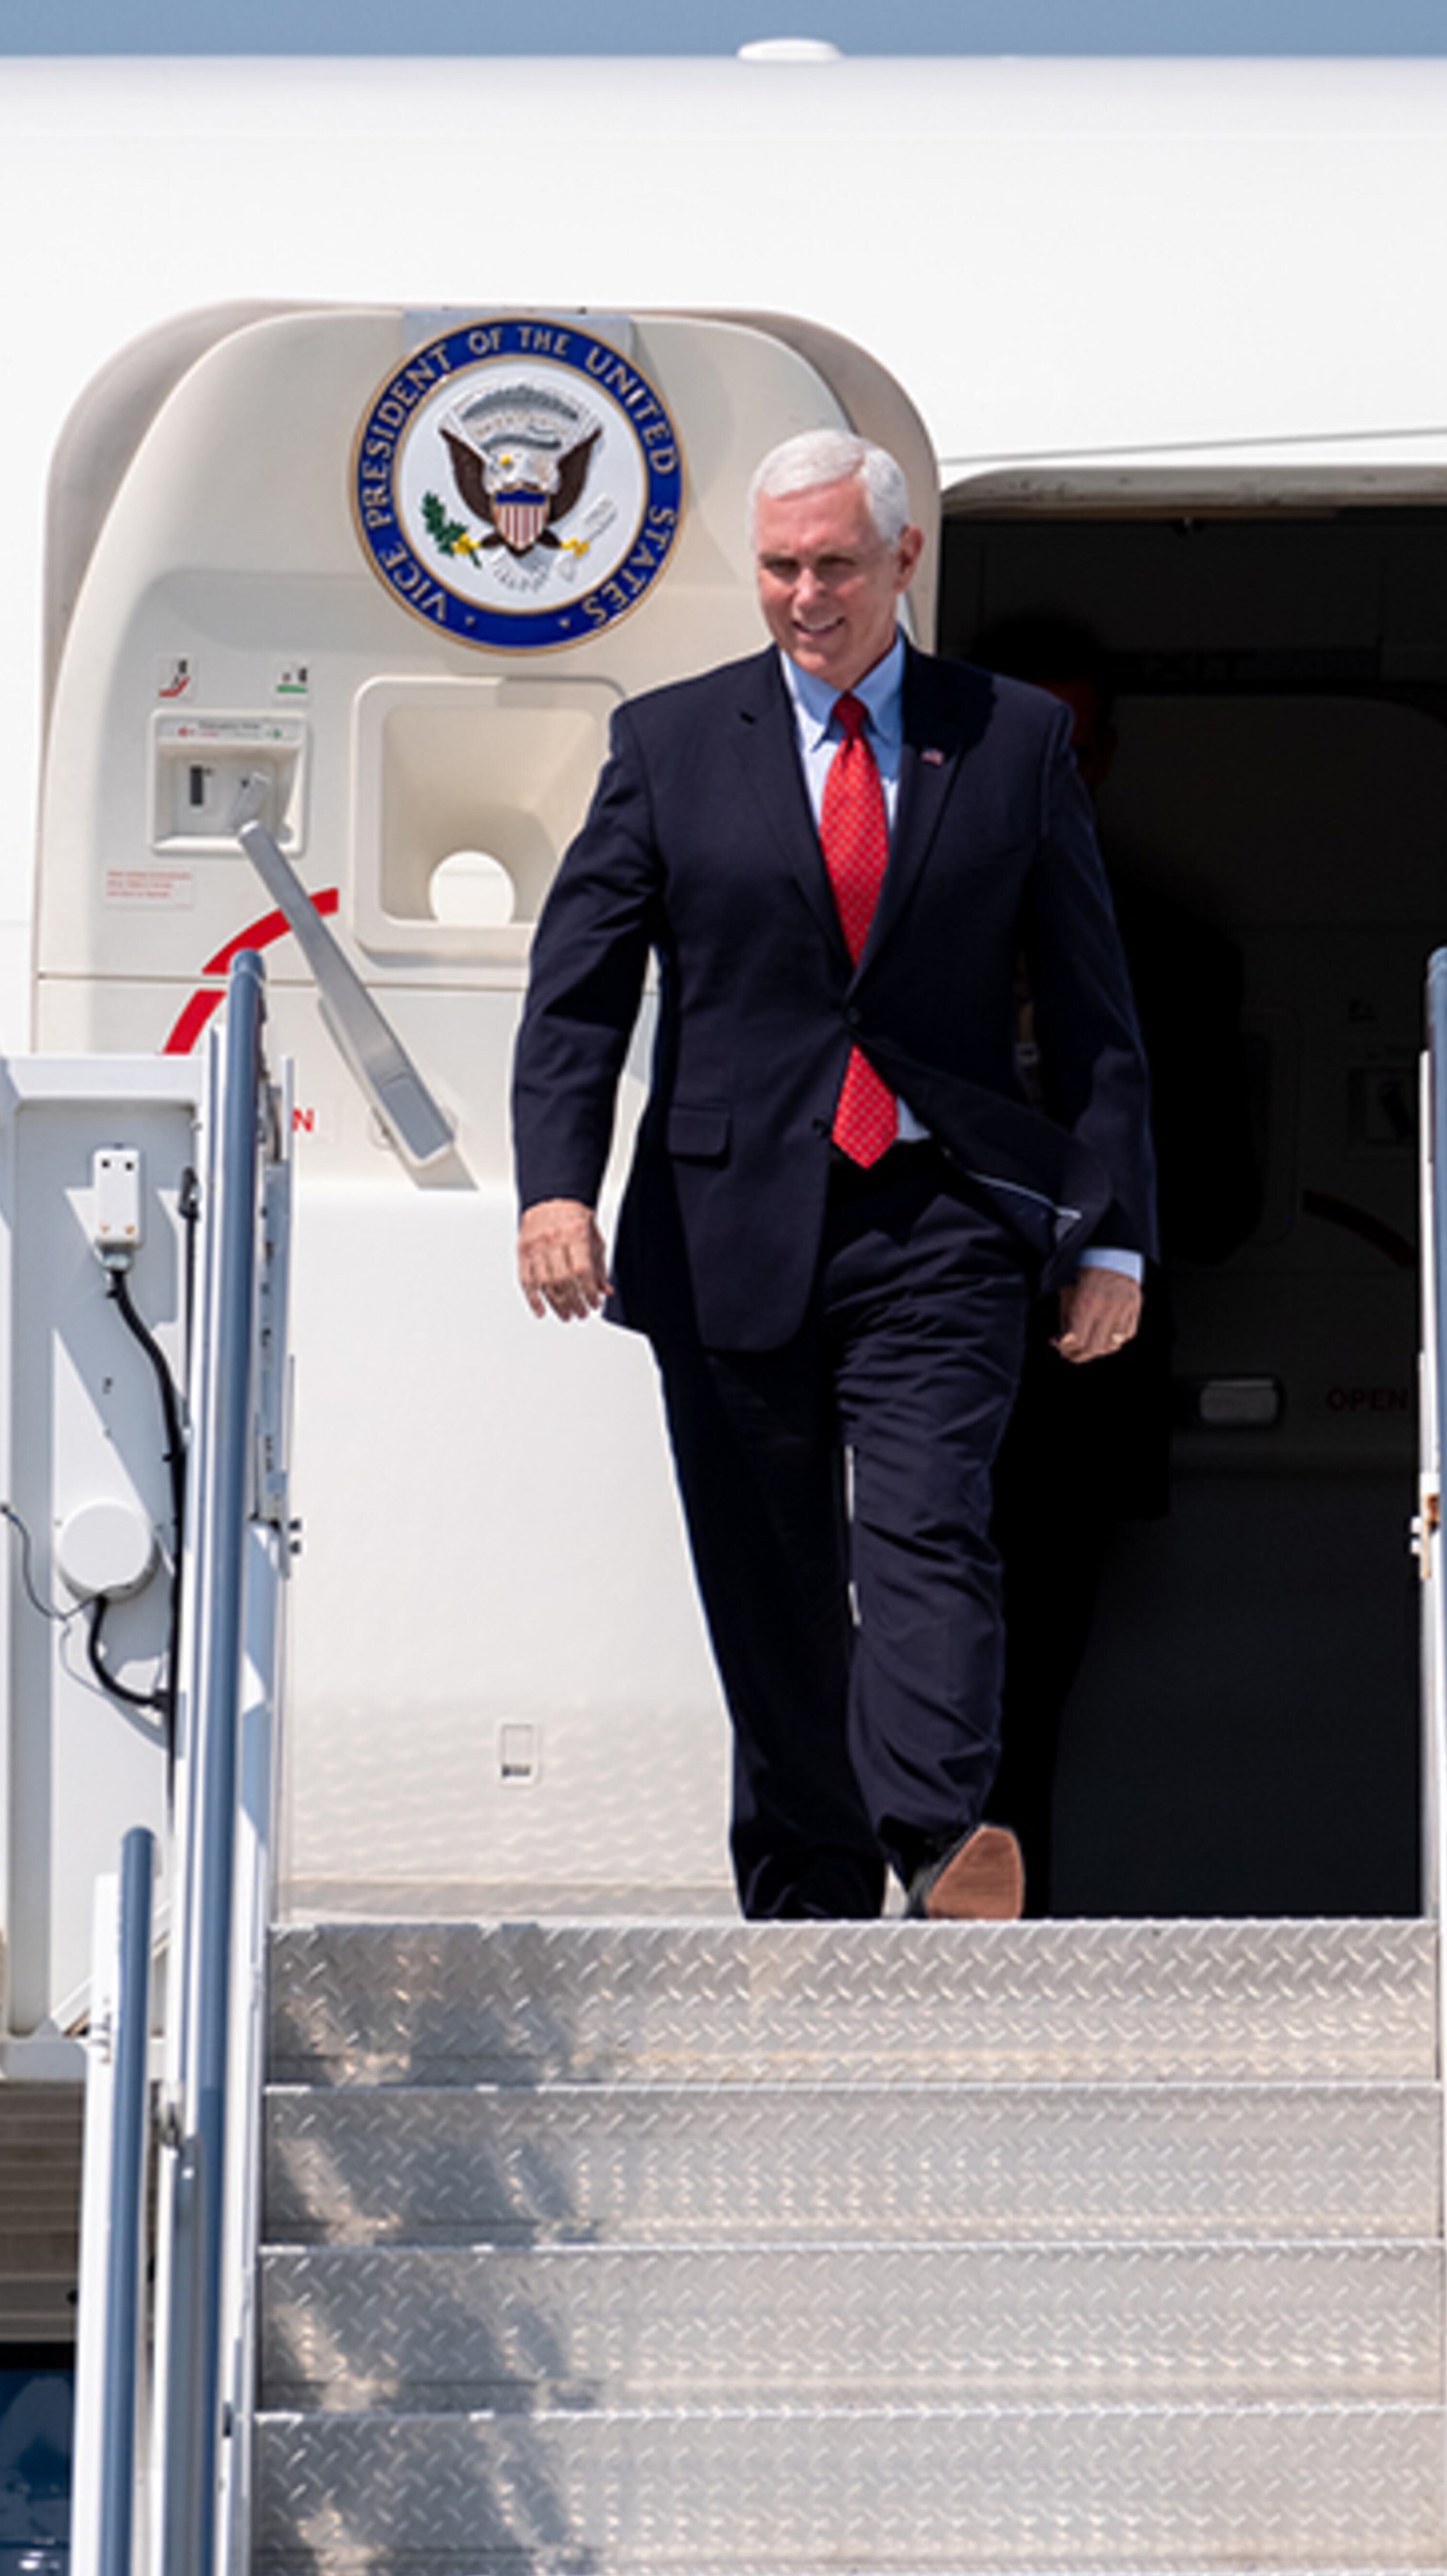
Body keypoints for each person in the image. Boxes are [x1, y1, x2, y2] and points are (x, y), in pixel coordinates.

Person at [511, 431, 1155, 1923]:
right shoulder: (671, 744)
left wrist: (1108, 1234)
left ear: (904, 560)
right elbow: (581, 990)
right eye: (783, 568)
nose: (808, 596)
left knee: (930, 1520)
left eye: (837, 566)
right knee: (771, 1575)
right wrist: (558, 1187)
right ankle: (806, 1881)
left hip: (939, 1216)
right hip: (725, 1214)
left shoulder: (1007, 740)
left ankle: (939, 1837)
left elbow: (1090, 1006)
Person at [972, 618, 1262, 1910]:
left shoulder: (1177, 953)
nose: (1051, 772)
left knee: (1027, 1692)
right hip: (886, 1352)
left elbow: (1218, 1203)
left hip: (1075, 1380)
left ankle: (995, 1972)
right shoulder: (883, 923)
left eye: (1071, 747)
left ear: (1101, 761)